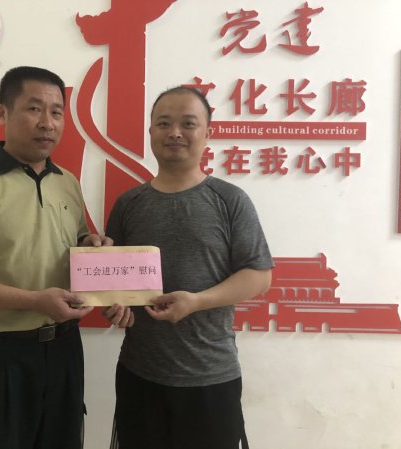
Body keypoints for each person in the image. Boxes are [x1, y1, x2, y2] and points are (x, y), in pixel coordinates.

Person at [0, 66, 111, 449]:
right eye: (34, 108)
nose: (47, 123)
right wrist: (34, 300)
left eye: (56, 112)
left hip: (64, 349)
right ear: (2, 114)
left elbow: (74, 243)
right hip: (0, 354)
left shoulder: (67, 182)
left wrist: (92, 246)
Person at [104, 86, 274, 449]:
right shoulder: (128, 204)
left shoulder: (230, 200)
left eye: (188, 124)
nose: (175, 133)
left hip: (210, 378)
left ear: (208, 133)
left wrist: (197, 301)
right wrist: (115, 307)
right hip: (139, 374)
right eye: (164, 123)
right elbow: (114, 284)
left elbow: (259, 276)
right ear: (150, 131)